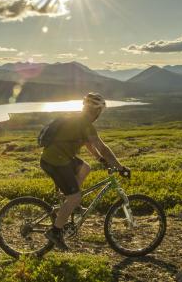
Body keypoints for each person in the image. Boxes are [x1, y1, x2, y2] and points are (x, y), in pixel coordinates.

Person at [40, 92, 129, 250]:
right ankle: (55, 232)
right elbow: (102, 147)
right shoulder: (85, 124)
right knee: (74, 197)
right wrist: (120, 167)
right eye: (99, 111)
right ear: (96, 111)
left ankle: (70, 202)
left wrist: (101, 160)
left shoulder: (79, 120)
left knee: (85, 168)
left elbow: (89, 145)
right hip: (55, 161)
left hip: (61, 158)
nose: (99, 114)